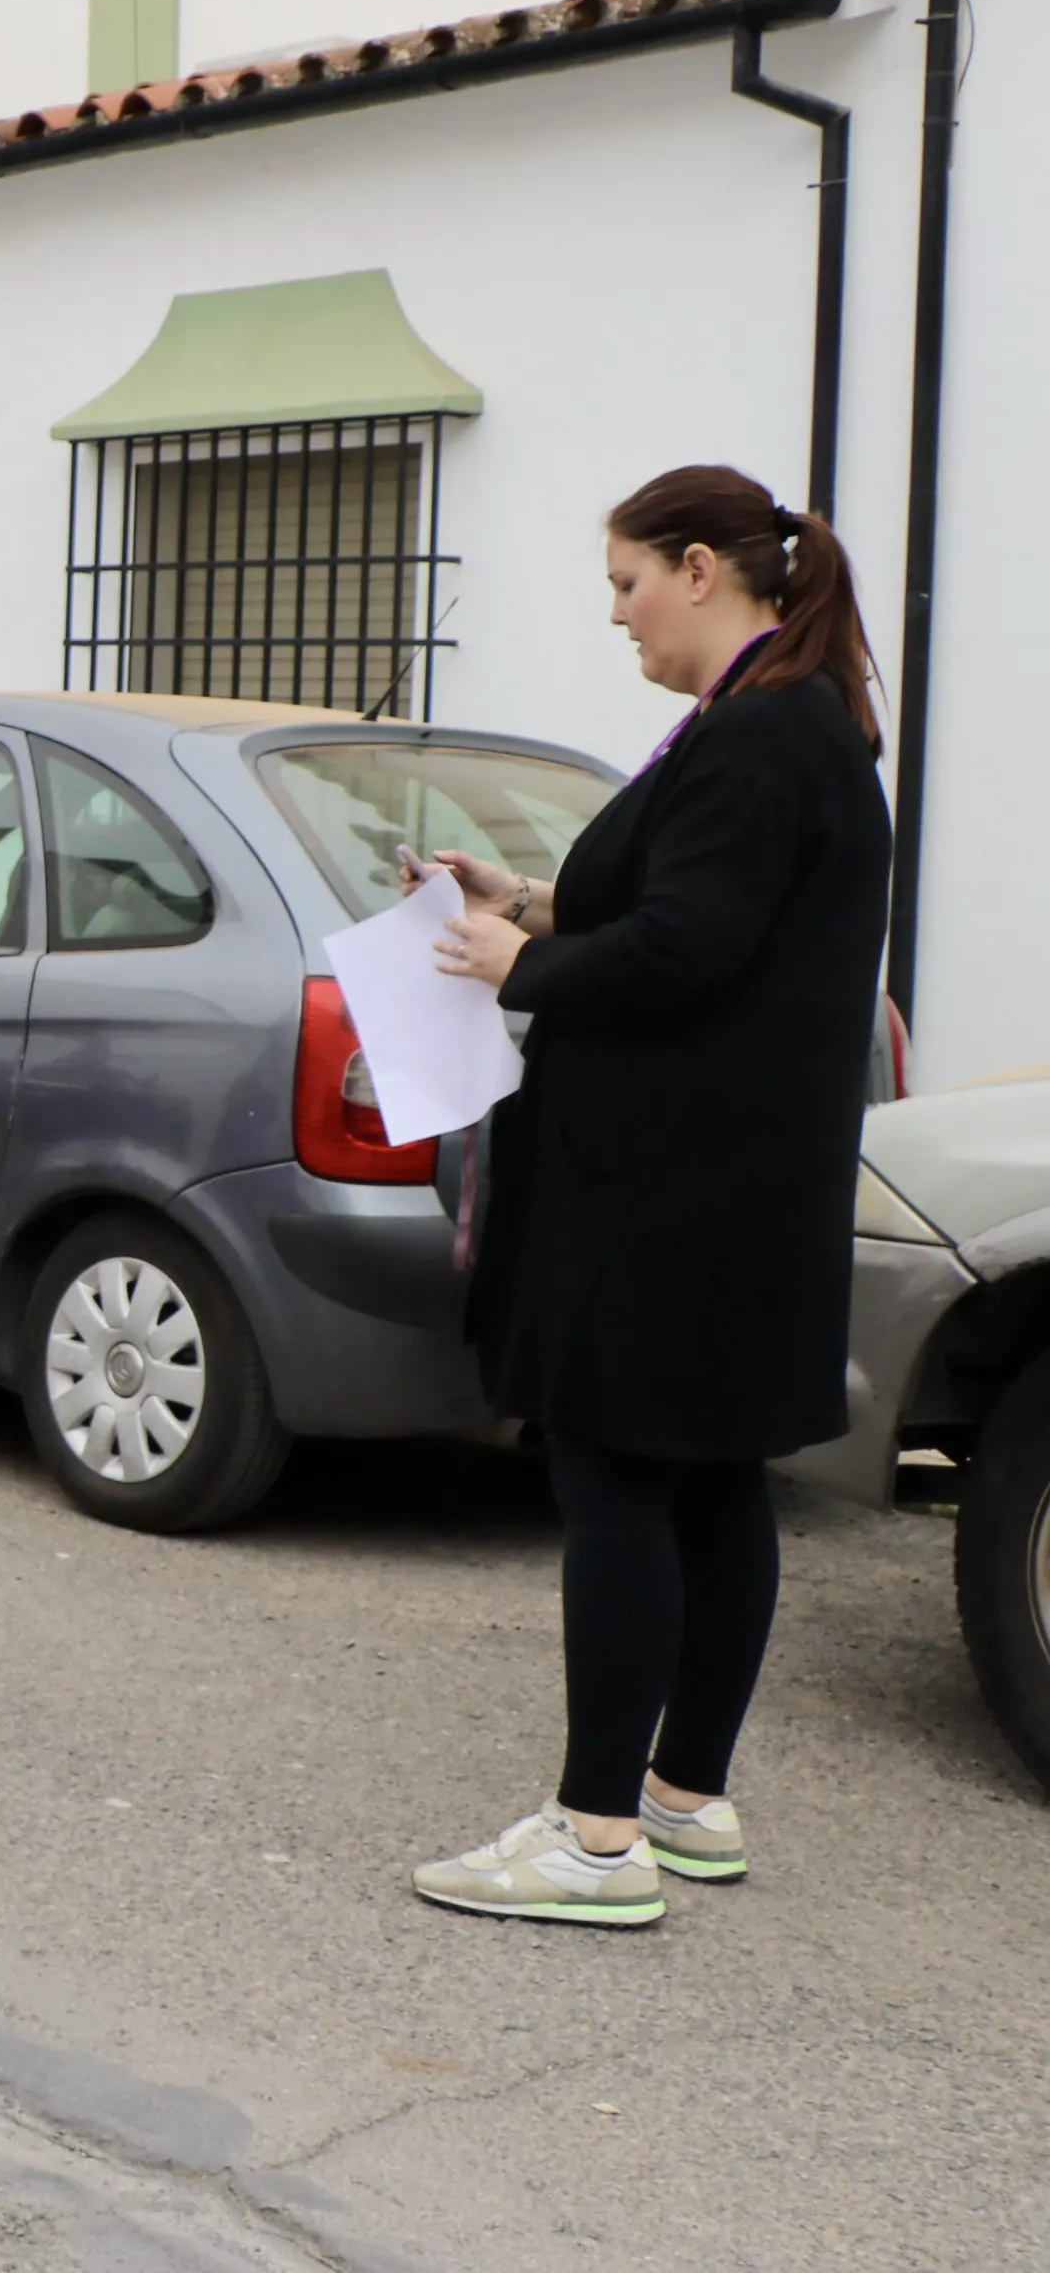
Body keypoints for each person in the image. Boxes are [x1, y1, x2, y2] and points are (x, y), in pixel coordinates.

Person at [411, 466, 892, 1928]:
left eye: (626, 583)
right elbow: (698, 913)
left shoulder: (757, 735)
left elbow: (686, 952)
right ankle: (683, 1800)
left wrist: (520, 969)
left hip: (669, 1197)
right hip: (741, 1196)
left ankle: (594, 1840)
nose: (617, 615)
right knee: (710, 1478)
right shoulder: (787, 723)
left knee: (617, 1477)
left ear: (699, 567)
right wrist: (538, 901)